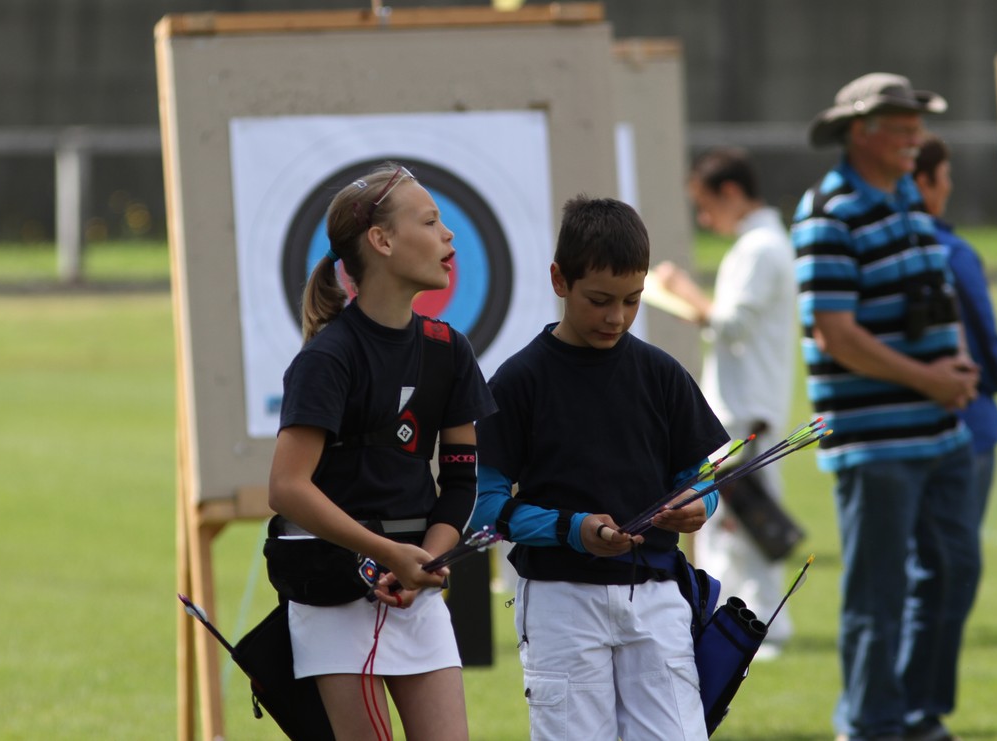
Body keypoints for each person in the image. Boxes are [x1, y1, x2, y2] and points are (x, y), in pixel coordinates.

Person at [471, 196, 731, 741]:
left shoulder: (661, 373)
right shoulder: (519, 381)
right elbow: (487, 507)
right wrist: (572, 529)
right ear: (559, 280)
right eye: (599, 300)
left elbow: (701, 479)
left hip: (656, 593)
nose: (616, 317)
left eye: (632, 301)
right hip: (561, 599)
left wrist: (696, 504)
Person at [266, 162, 497, 741]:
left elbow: (463, 481)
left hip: (412, 587)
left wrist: (429, 560)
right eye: (431, 220)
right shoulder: (329, 357)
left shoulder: (450, 349)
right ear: (382, 241)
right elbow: (288, 488)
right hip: (337, 589)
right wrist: (384, 553)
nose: (449, 236)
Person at [791, 73, 981, 741]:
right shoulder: (827, 213)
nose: (915, 139)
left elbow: (940, 292)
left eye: (915, 125)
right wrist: (931, 378)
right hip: (875, 440)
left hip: (940, 429)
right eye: (901, 127)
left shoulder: (905, 196)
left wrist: (954, 364)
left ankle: (917, 712)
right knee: (878, 595)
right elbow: (834, 333)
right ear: (859, 133)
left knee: (955, 570)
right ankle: (871, 723)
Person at [650, 147, 799, 658]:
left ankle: (760, 624)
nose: (704, 217)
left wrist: (679, 289)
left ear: (731, 192)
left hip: (746, 405)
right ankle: (745, 619)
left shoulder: (761, 247)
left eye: (706, 204)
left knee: (743, 523)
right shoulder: (759, 244)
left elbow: (731, 321)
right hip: (745, 400)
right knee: (733, 523)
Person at [911, 135, 997, 531]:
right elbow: (985, 340)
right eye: (944, 175)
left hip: (902, 435)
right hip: (967, 423)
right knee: (952, 566)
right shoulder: (951, 252)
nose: (950, 185)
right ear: (922, 181)